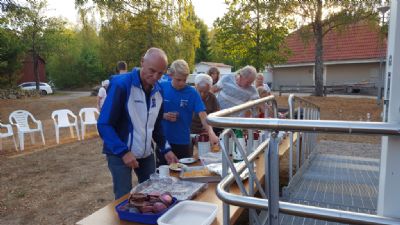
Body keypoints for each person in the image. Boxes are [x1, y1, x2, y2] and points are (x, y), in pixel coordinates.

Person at [97, 48, 178, 199]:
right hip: (120, 153)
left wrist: (166, 149)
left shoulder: (159, 91)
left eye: (160, 73)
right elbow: (104, 124)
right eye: (151, 70)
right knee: (124, 197)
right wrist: (123, 151)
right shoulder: (122, 86)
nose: (155, 77)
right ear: (142, 62)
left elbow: (157, 124)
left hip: (146, 152)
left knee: (152, 193)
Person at [158, 60, 219, 165]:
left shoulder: (192, 93)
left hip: (183, 142)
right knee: (162, 175)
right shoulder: (161, 87)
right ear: (171, 75)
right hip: (163, 140)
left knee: (183, 174)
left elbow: (202, 114)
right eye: (178, 80)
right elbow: (150, 112)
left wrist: (211, 132)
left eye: (184, 80)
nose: (182, 83)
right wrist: (164, 115)